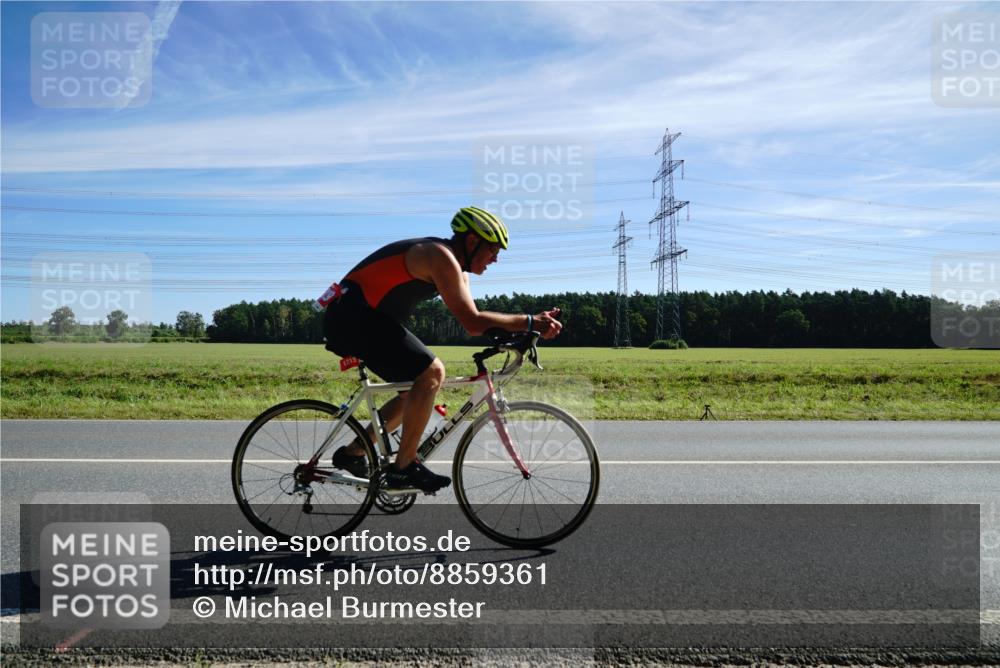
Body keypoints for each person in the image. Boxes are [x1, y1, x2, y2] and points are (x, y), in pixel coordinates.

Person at [320, 206, 563, 492]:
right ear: (472, 242)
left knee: (415, 390)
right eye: (493, 249)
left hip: (364, 318)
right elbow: (472, 322)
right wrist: (530, 321)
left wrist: (522, 330)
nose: (496, 258)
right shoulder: (439, 256)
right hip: (351, 317)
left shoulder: (458, 269)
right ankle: (404, 467)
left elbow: (475, 318)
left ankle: (354, 453)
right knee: (432, 372)